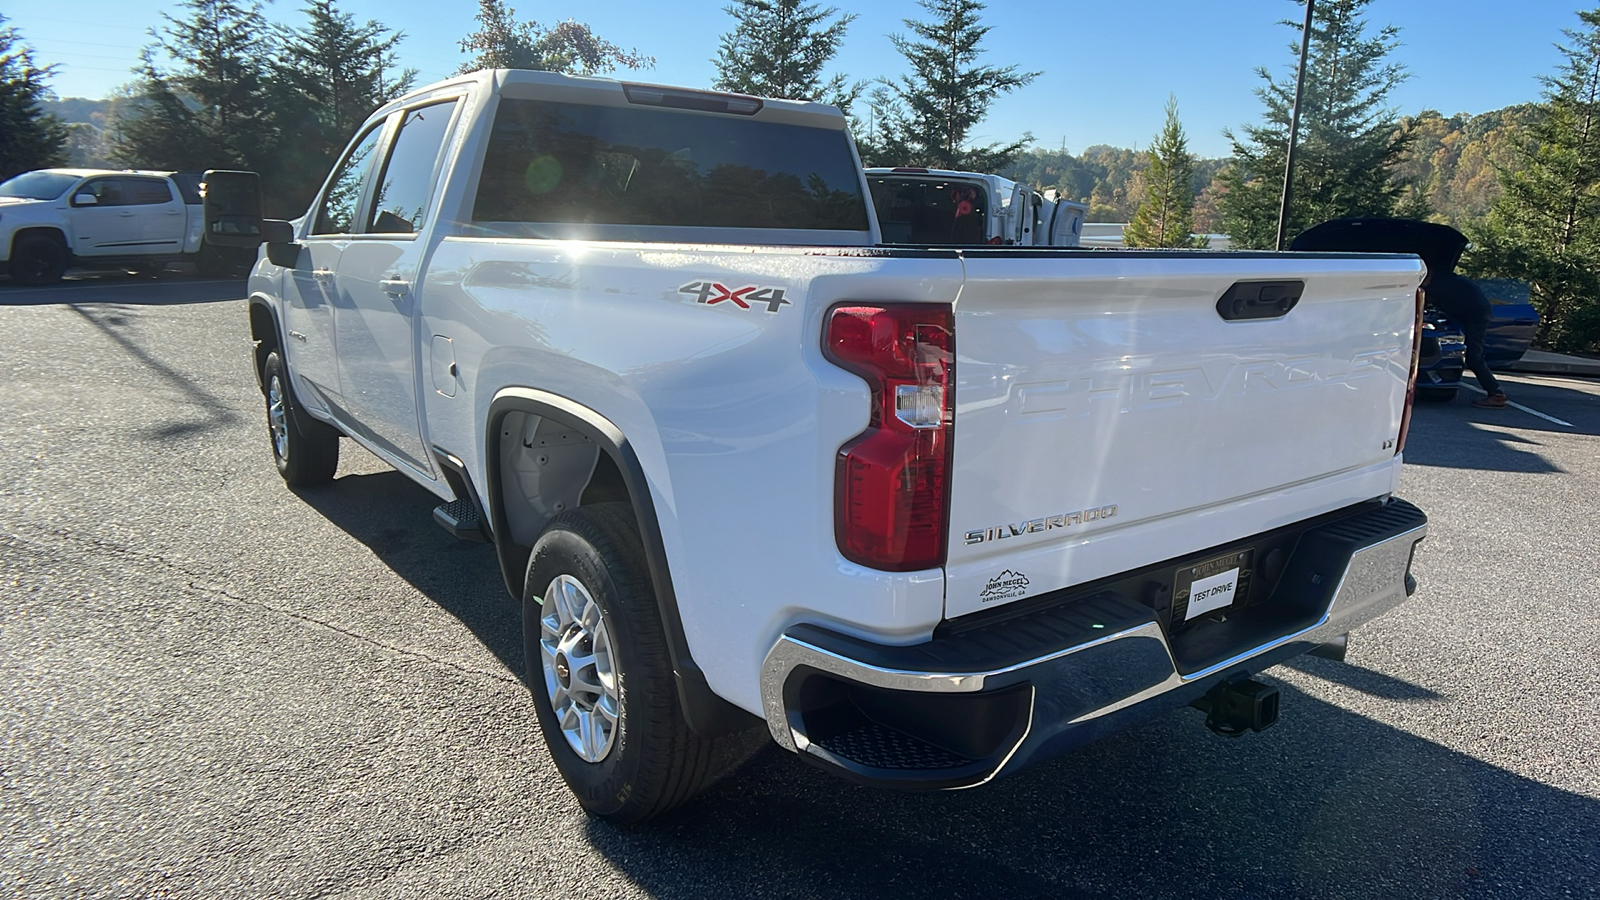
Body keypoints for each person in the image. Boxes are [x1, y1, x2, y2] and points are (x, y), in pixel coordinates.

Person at [1425, 268, 1506, 408]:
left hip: (1475, 317)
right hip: (1476, 313)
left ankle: (1496, 394)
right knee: (1474, 354)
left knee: (1474, 357)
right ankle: (1495, 392)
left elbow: (1422, 305)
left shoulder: (1437, 286)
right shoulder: (1448, 280)